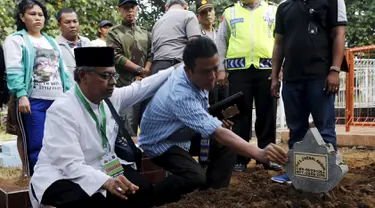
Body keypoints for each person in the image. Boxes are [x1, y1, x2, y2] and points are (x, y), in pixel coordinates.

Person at [138, 37, 288, 204]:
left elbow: (210, 122)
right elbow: (218, 132)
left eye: (215, 69)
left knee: (227, 145)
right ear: (188, 71)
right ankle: (150, 200)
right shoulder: (180, 94)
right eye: (205, 72)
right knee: (194, 176)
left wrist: (213, 118)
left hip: (181, 132)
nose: (212, 77)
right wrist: (259, 153)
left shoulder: (194, 74)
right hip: (161, 142)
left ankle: (212, 197)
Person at [29, 47, 176, 208]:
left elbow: (142, 88)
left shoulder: (110, 97)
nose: (113, 82)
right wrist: (105, 182)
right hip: (62, 174)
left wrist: (177, 68)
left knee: (142, 190)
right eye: (106, 76)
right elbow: (70, 164)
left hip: (104, 166)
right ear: (83, 76)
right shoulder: (62, 109)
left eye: (114, 75)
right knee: (91, 200)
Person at [270, 0, 347, 183]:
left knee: (325, 130)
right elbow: (279, 43)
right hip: (291, 78)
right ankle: (295, 174)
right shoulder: (284, 7)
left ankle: (328, 175)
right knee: (296, 129)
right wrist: (274, 77)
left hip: (320, 76)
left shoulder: (332, 1)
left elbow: (339, 33)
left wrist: (334, 70)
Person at [3, 0, 72, 176]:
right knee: (36, 144)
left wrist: (70, 95)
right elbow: (14, 70)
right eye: (32, 14)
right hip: (34, 100)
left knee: (60, 141)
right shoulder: (16, 40)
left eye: (40, 14)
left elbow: (62, 71)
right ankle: (37, 180)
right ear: (22, 17)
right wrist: (22, 94)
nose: (37, 18)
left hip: (57, 101)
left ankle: (58, 178)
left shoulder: (51, 41)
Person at [216, 0, 281, 172]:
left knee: (268, 114)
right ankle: (239, 158)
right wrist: (221, 69)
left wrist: (281, 67)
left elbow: (282, 39)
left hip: (267, 71)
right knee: (239, 115)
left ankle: (267, 158)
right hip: (238, 72)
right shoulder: (230, 12)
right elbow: (221, 42)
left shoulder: (273, 10)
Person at [106, 0, 152, 137]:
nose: (129, 11)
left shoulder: (145, 32)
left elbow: (151, 53)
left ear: (137, 9)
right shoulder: (113, 33)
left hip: (146, 86)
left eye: (132, 7)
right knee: (128, 131)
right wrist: (140, 70)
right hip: (126, 86)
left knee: (149, 128)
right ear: (119, 11)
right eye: (126, 8)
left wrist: (146, 72)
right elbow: (115, 56)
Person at [150, 0, 201, 75]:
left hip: (157, 68)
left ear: (168, 7)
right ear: (185, 6)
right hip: (178, 66)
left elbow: (152, 53)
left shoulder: (157, 23)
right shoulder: (188, 15)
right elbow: (194, 45)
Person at [196, 0, 229, 106]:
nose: (208, 14)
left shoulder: (220, 33)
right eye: (204, 13)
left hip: (223, 77)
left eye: (210, 10)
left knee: (227, 109)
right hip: (207, 79)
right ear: (198, 17)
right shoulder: (196, 35)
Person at [55, 8, 91, 82]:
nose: (72, 25)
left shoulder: (87, 43)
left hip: (89, 91)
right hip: (67, 92)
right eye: (67, 22)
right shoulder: (55, 46)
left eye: (75, 21)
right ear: (59, 26)